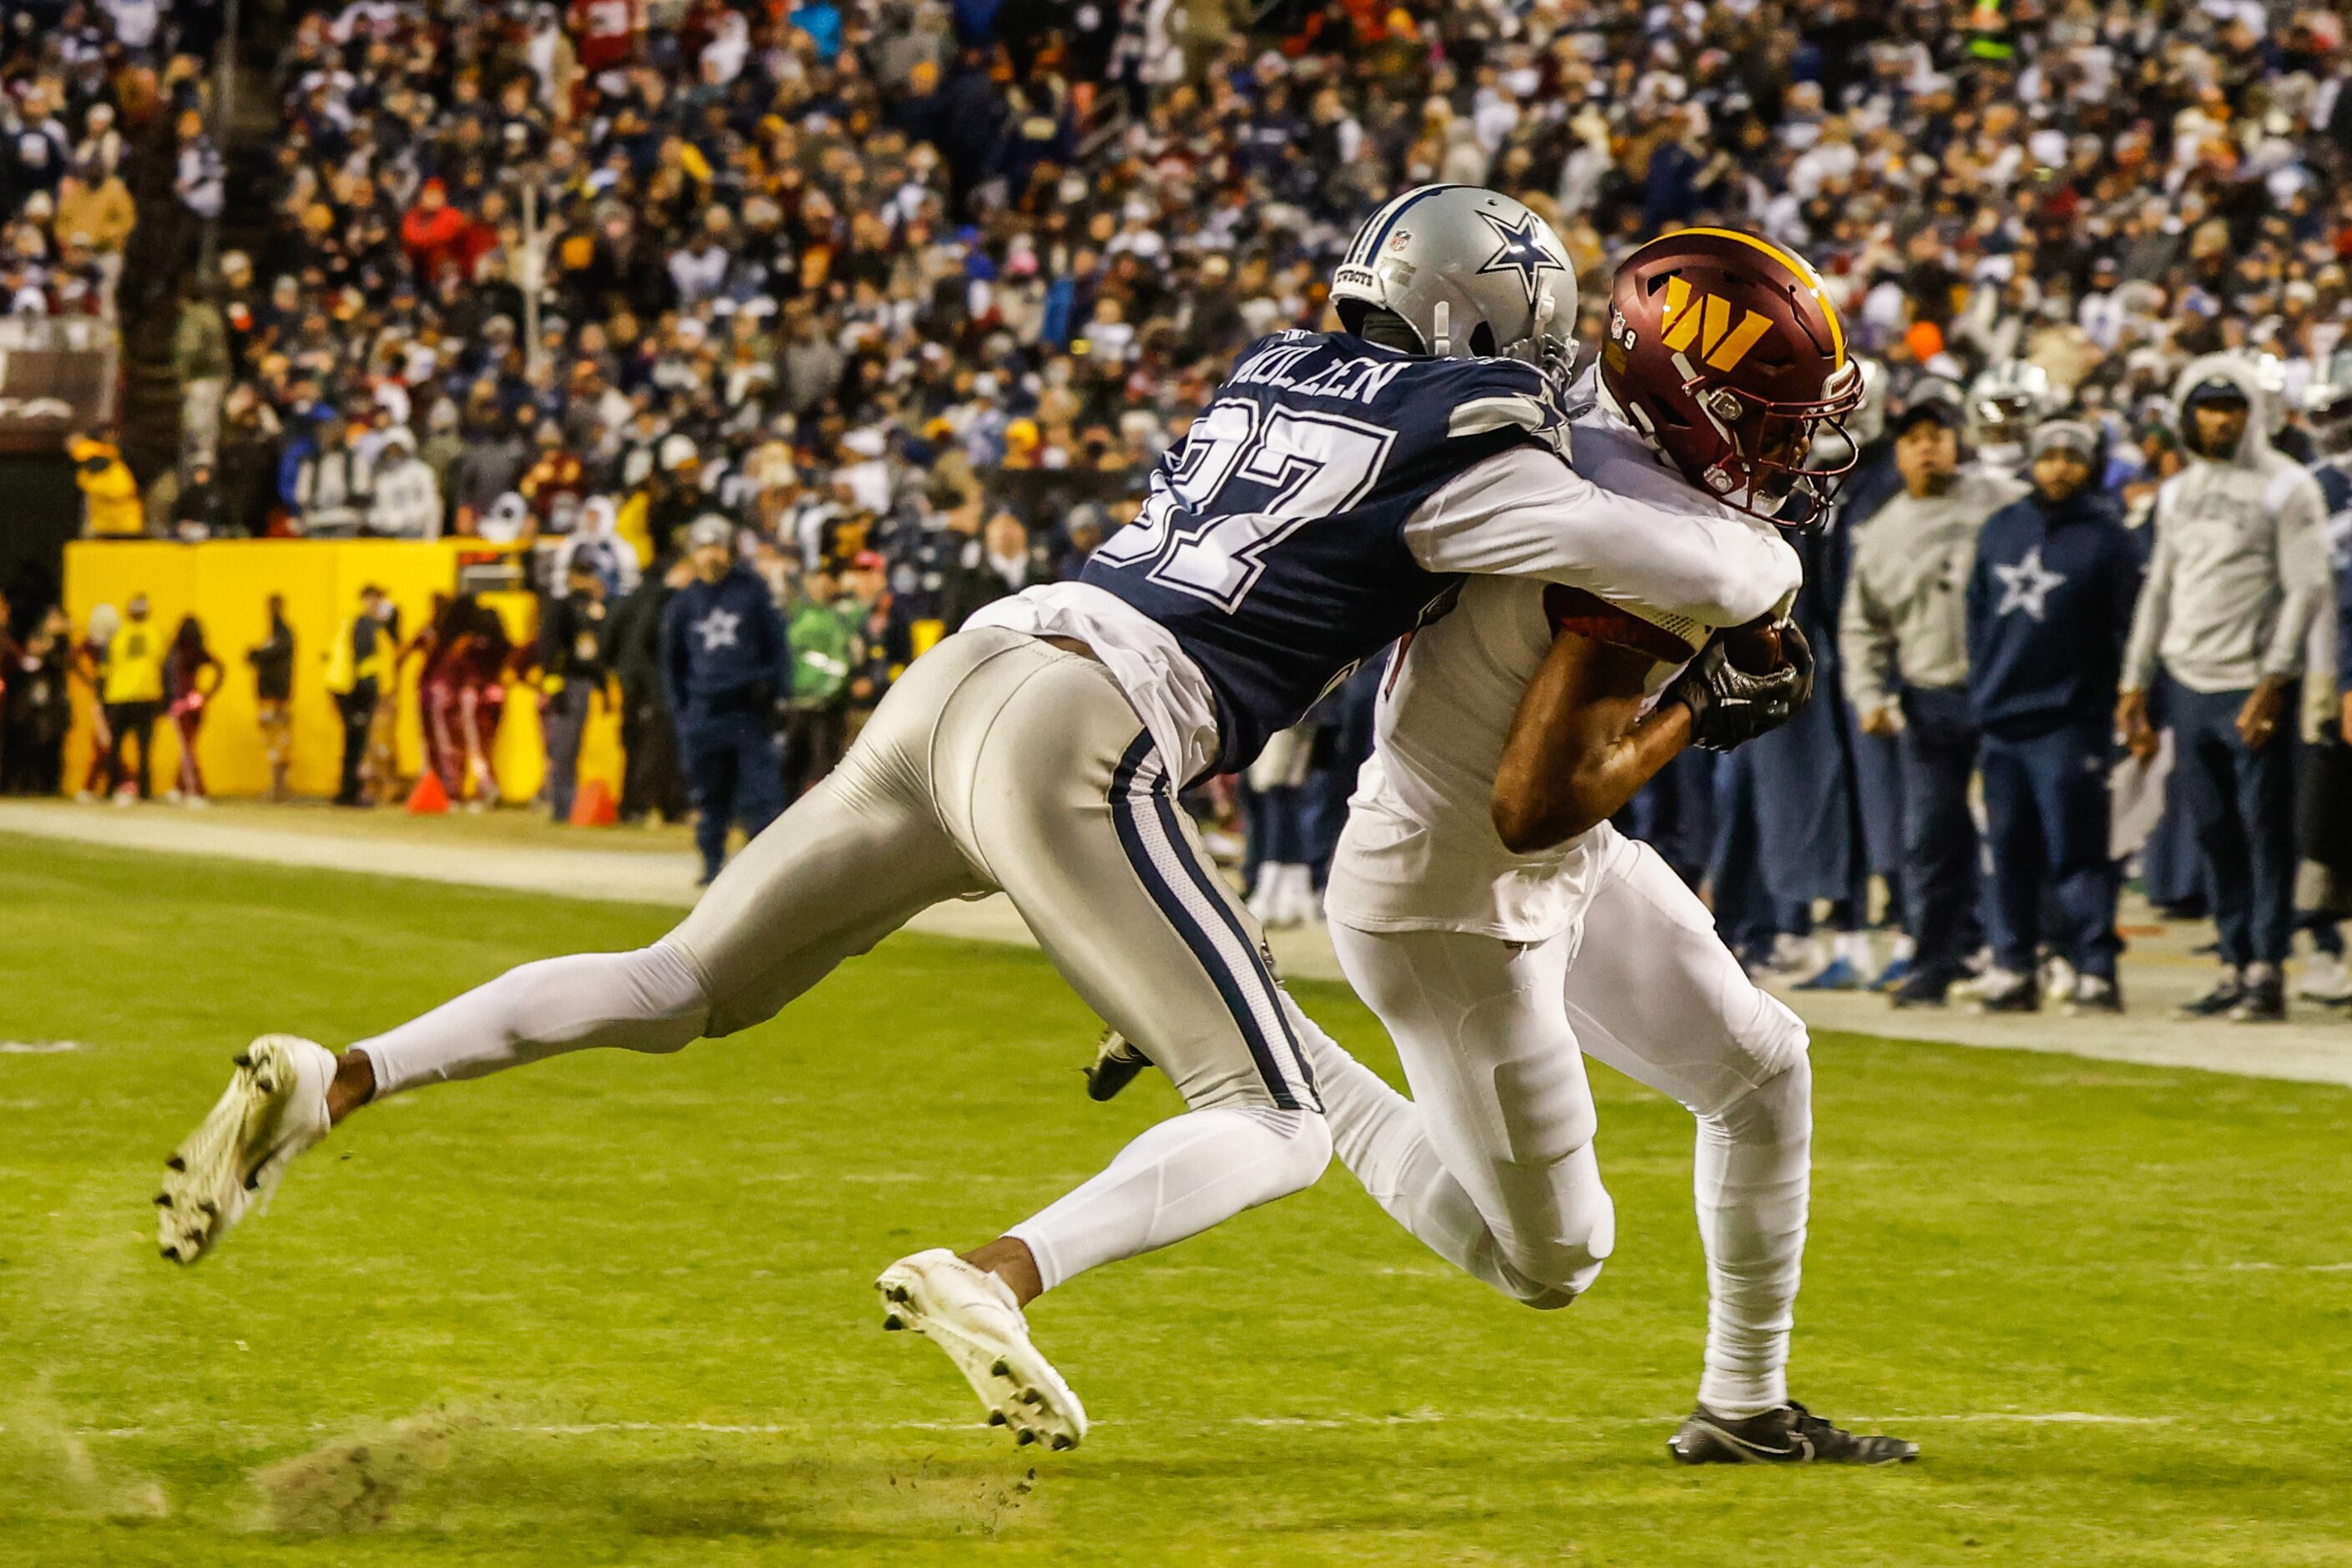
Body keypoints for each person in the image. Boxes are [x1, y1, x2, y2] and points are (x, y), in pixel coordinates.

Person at [155, 192, 1843, 1454]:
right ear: (1487, 325)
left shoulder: (1272, 372)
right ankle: (997, 1273)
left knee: (682, 987)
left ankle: (342, 1072)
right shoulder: (1469, 439)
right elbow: (1718, 566)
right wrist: (1758, 577)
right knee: (1268, 1121)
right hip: (1090, 731)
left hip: (974, 664)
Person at [1110, 229, 1913, 1466]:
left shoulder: (1561, 420)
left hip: (1530, 863)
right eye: (1764, 415)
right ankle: (1239, 1014)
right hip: (1453, 900)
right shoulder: (1643, 523)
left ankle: (1744, 1404)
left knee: (1763, 1071)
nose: (1793, 441)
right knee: (1547, 1262)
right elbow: (1538, 798)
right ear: (1678, 395)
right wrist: (1704, 702)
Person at [2118, 357, 2332, 1022]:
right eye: (2207, 408)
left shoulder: (2287, 485)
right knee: (2212, 831)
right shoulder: (2178, 491)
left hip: (2249, 682)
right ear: (2187, 414)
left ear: (2252, 413)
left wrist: (2274, 681)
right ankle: (2235, 962)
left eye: (2231, 407)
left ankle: (2267, 967)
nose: (2220, 419)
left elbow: (2306, 589)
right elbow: (2159, 588)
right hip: (2187, 677)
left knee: (2263, 831)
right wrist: (2134, 679)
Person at [1839, 396, 2029, 1005]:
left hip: (2002, 694)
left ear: (1958, 443)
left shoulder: (2003, 507)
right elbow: (1861, 624)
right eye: (1914, 438)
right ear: (1897, 451)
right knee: (1931, 840)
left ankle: (2022, 958)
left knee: (2015, 832)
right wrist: (1868, 693)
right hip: (1927, 697)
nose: (1926, 447)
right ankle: (1934, 960)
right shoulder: (1882, 532)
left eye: (1937, 436)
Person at [1965, 420, 2141, 1013]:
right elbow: (1977, 619)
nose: (2059, 467)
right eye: (2049, 456)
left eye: (2071, 456)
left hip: (2071, 720)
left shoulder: (2110, 537)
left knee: (2078, 852)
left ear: (2089, 464)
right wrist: (1981, 698)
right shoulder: (2001, 527)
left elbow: (2127, 629)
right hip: (2002, 720)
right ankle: (2013, 965)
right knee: (2008, 851)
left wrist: (2121, 704)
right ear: (2032, 462)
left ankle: (2094, 968)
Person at [662, 516, 792, 883]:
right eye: (703, 548)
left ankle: (765, 874)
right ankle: (711, 864)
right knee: (710, 797)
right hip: (704, 714)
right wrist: (682, 712)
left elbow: (777, 648)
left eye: (717, 546)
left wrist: (780, 696)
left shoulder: (753, 594)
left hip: (749, 711)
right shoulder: (684, 604)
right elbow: (672, 663)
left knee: (761, 797)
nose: (711, 556)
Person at [539, 556, 614, 823]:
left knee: (573, 747)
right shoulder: (562, 608)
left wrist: (603, 688)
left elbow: (598, 654)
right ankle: (562, 807)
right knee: (564, 748)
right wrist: (553, 687)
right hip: (567, 683)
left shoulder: (594, 609)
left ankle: (566, 805)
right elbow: (549, 650)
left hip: (584, 683)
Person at [781, 560, 860, 801]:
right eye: (815, 578)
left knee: (826, 763)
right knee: (792, 761)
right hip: (796, 700)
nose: (821, 584)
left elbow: (853, 655)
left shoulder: (847, 617)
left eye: (826, 578)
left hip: (830, 703)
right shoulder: (792, 615)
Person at [325, 586, 397, 806]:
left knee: (353, 741)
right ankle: (351, 791)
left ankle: (348, 790)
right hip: (355, 689)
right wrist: (370, 692)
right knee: (357, 741)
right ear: (368, 599)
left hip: (346, 687)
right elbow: (364, 661)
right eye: (377, 599)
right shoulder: (365, 625)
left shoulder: (355, 621)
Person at [100, 594, 165, 801]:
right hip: (145, 695)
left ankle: (110, 788)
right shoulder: (155, 633)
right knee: (144, 748)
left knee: (116, 746)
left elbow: (106, 664)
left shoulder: (118, 633)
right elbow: (162, 662)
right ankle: (145, 791)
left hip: (119, 695)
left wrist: (101, 692)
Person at [162, 615, 225, 805]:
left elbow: (167, 680)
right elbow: (220, 669)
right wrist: (207, 694)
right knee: (188, 747)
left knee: (187, 748)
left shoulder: (175, 652)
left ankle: (194, 789)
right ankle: (181, 787)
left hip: (181, 703)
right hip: (194, 702)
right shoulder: (196, 651)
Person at [245, 596, 295, 802]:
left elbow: (269, 656)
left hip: (277, 697)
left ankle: (280, 788)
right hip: (269, 696)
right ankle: (275, 786)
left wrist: (254, 654)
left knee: (279, 743)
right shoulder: (275, 634)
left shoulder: (284, 635)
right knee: (271, 743)